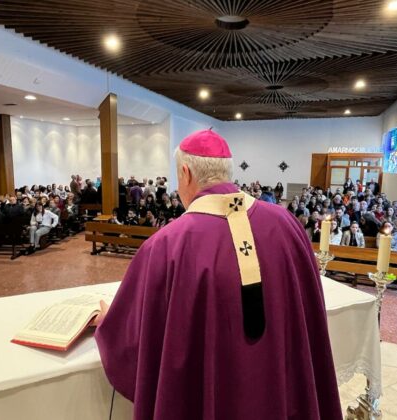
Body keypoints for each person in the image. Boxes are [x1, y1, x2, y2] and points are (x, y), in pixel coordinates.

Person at [95, 129, 341, 420]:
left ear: (185, 173)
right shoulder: (286, 225)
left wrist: (107, 323)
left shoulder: (166, 245)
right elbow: (309, 317)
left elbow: (135, 344)